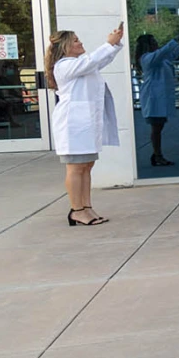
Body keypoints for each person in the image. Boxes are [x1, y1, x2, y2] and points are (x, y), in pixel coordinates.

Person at [47, 24, 125, 226]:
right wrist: (108, 44)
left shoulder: (81, 63)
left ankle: (87, 207)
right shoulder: (64, 65)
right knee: (75, 167)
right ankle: (76, 210)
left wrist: (114, 45)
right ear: (65, 47)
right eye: (75, 40)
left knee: (87, 166)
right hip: (72, 125)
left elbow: (100, 60)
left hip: (85, 125)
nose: (80, 42)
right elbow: (93, 60)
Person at [135, 32, 179, 167]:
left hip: (159, 97)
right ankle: (157, 154)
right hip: (153, 98)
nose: (156, 44)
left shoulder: (158, 59)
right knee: (156, 128)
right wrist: (174, 40)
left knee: (159, 126)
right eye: (153, 42)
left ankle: (157, 153)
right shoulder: (147, 58)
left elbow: (170, 55)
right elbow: (163, 52)